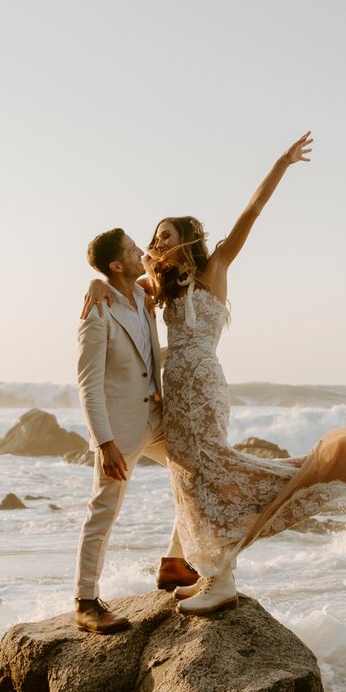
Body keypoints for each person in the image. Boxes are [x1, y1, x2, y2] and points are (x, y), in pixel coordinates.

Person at [86, 133, 346, 617]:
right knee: (191, 477)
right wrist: (98, 283)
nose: (156, 242)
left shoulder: (216, 266)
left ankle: (221, 579)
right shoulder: (157, 285)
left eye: (164, 235)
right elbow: (115, 284)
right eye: (153, 236)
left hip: (201, 384)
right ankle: (210, 573)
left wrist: (281, 164)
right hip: (174, 388)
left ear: (185, 238)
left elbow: (253, 210)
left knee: (212, 473)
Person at [72, 228, 197, 634]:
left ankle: (174, 564)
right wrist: (104, 442)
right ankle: (85, 602)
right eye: (131, 249)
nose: (140, 250)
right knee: (103, 509)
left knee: (198, 474)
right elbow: (88, 382)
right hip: (120, 429)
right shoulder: (98, 310)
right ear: (115, 265)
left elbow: (162, 273)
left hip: (155, 418)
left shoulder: (142, 296)